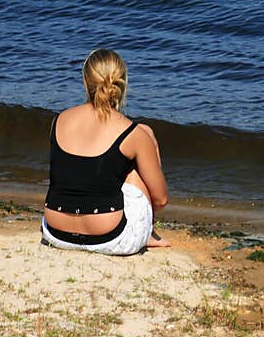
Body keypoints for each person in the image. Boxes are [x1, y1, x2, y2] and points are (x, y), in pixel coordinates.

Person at [40, 48, 170, 255]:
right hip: (110, 238)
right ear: (122, 83)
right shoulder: (133, 132)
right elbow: (161, 200)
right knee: (144, 139)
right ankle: (149, 232)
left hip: (55, 233)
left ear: (85, 81)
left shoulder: (58, 120)